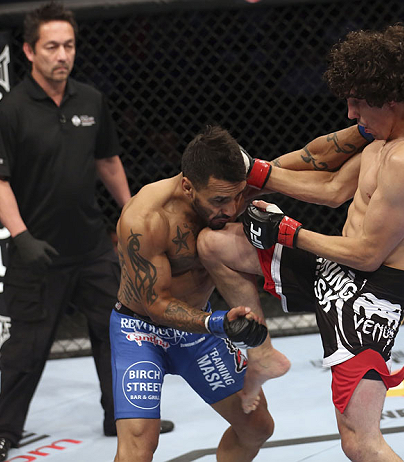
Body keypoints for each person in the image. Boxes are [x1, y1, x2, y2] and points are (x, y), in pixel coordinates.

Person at [197, 23, 404, 461]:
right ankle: (259, 354)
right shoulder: (387, 127)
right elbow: (334, 187)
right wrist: (256, 172)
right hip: (333, 267)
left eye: (357, 104)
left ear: (388, 98)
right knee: (215, 244)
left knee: (359, 442)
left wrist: (288, 233)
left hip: (369, 295)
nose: (352, 115)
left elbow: (370, 255)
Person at [0, 3, 172, 461]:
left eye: (68, 45)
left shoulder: (90, 100)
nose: (62, 55)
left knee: (117, 335)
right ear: (29, 50)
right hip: (36, 251)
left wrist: (132, 216)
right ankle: (2, 432)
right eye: (51, 47)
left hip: (91, 246)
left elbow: (107, 161)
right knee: (26, 349)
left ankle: (121, 416)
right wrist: (20, 235)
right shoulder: (11, 110)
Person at [110, 125, 273, 462]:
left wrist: (364, 130)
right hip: (140, 331)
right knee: (138, 449)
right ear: (188, 186)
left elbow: (309, 160)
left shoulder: (230, 190)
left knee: (257, 427)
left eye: (236, 196)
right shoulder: (145, 218)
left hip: (199, 330)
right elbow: (156, 305)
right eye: (219, 201)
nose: (230, 209)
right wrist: (219, 323)